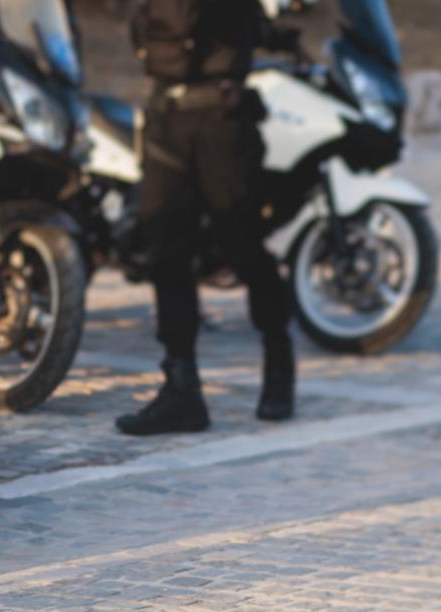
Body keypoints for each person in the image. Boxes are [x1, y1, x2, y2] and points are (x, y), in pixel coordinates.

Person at [116, 0, 302, 436]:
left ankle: (278, 359)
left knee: (241, 246)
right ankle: (181, 388)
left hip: (222, 119)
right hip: (165, 119)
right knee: (165, 254)